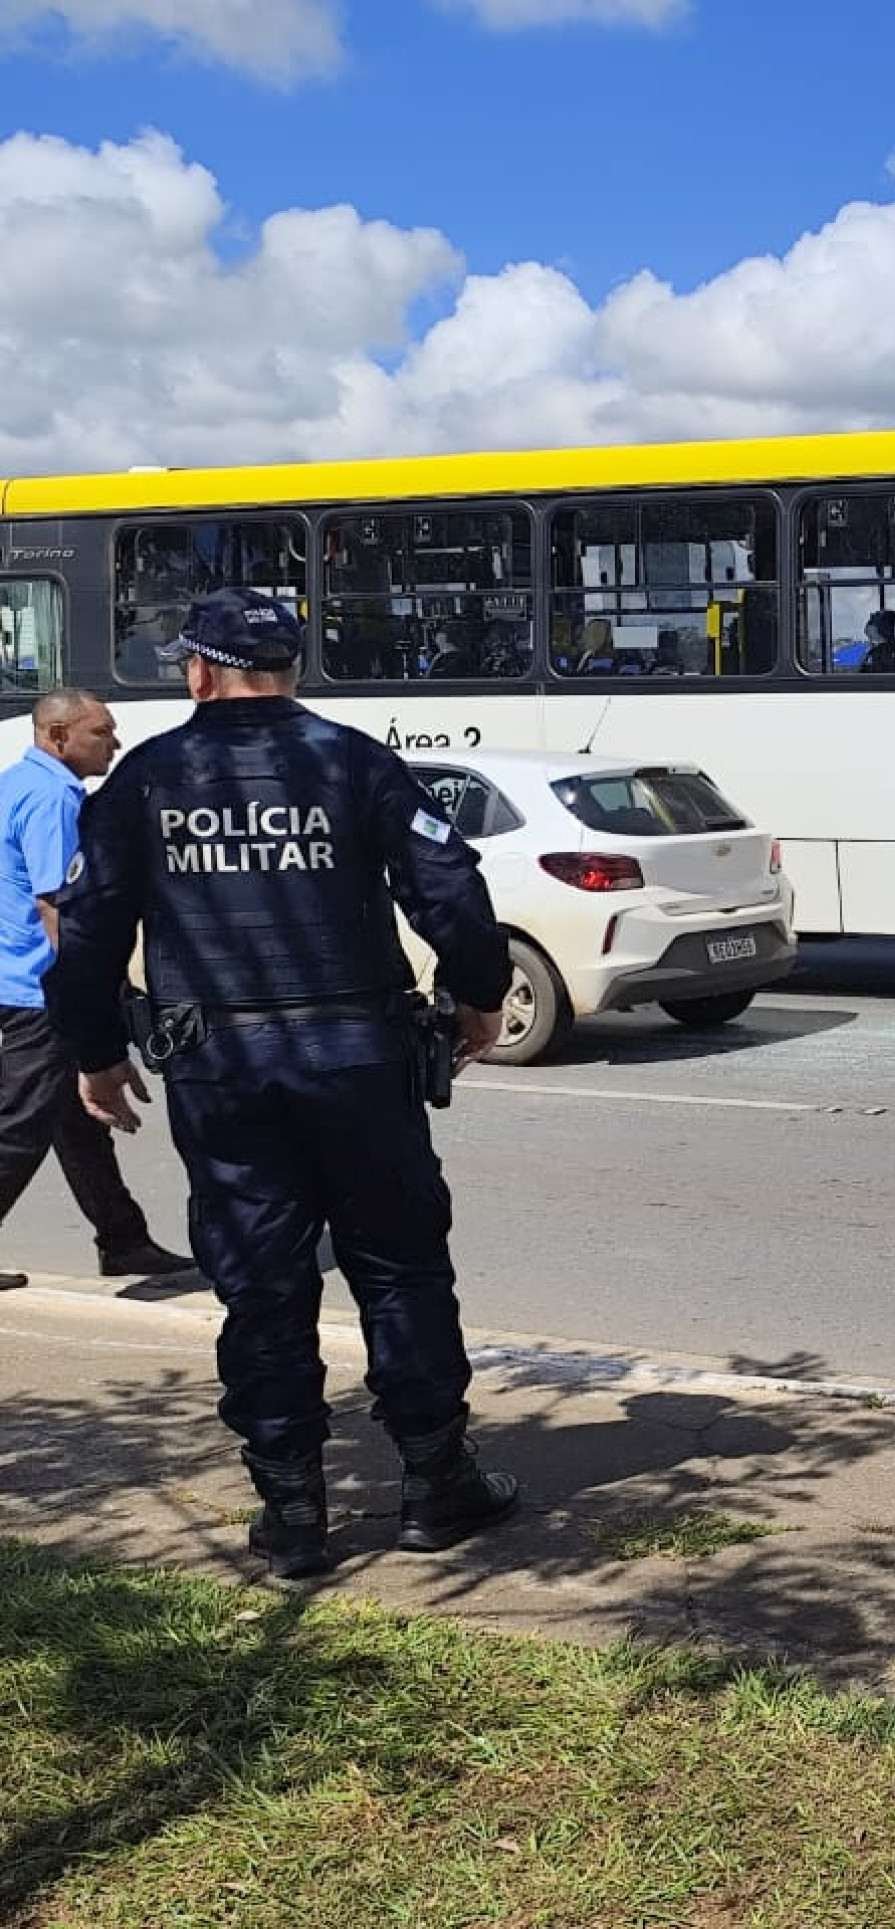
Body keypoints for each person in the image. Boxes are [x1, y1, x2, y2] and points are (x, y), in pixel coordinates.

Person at [44, 590, 518, 1581]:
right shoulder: (352, 761)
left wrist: (95, 1053)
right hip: (359, 1062)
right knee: (400, 1267)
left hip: (223, 1073)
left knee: (260, 1282)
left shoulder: (148, 778)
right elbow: (449, 890)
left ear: (198, 672)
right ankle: (436, 1482)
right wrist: (478, 997)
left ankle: (294, 1510)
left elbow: (87, 930)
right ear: (291, 669)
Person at [0, 691, 193, 1289]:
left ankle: (123, 1239)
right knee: (19, 1126)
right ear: (58, 736)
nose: (115, 743)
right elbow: (60, 906)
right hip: (42, 988)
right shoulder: (53, 796)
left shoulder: (15, 783)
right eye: (101, 732)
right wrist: (94, 987)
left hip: (22, 975)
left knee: (77, 1122)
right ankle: (123, 1240)